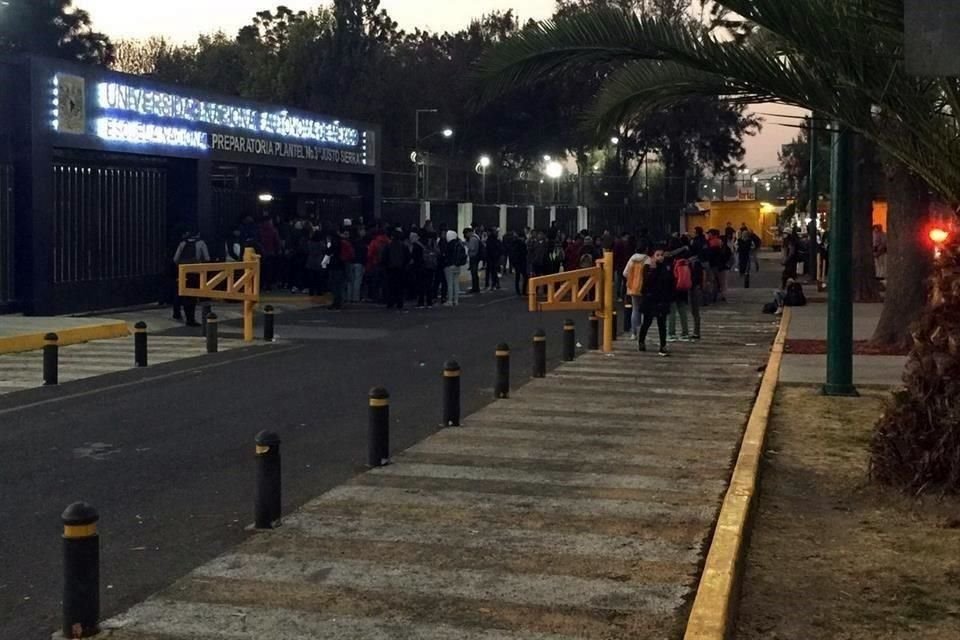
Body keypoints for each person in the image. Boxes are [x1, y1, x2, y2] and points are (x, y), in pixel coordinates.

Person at [638, 246, 674, 357]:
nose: (660, 257)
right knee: (647, 322)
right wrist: (652, 270)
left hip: (662, 299)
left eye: (662, 255)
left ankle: (663, 346)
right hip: (650, 298)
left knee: (662, 323)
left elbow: (670, 282)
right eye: (657, 255)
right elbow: (645, 283)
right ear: (653, 256)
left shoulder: (666, 268)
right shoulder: (648, 267)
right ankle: (641, 341)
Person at [172, 230, 210, 327]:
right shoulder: (201, 243)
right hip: (195, 273)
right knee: (191, 297)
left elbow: (175, 259)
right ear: (198, 234)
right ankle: (190, 319)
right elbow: (207, 258)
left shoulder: (182, 243)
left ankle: (176, 313)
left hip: (182, 272)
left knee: (180, 293)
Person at [623, 243, 650, 339]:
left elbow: (625, 273)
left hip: (632, 287)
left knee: (635, 309)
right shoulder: (647, 259)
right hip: (643, 288)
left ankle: (634, 333)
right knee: (644, 310)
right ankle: (642, 332)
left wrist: (633, 279)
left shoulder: (632, 258)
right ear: (646, 249)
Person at [381, 229, 410, 309]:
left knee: (390, 287)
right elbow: (407, 257)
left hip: (390, 269)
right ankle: (399, 303)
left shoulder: (388, 246)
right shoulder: (404, 246)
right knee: (400, 287)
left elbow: (384, 257)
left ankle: (390, 302)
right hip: (401, 269)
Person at [324, 228, 347, 310]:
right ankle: (339, 302)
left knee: (334, 285)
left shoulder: (333, 242)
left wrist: (328, 243)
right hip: (341, 265)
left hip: (335, 265)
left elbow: (328, 251)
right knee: (339, 285)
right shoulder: (341, 241)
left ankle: (336, 302)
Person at [443, 230, 467, 306]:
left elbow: (446, 256)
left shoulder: (449, 245)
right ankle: (456, 300)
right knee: (456, 283)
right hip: (457, 266)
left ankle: (450, 300)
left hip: (449, 266)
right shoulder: (459, 244)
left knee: (450, 284)